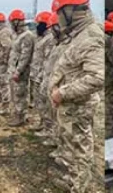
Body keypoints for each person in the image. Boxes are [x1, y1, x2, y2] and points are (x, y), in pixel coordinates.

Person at [48, 0, 104, 191]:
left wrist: (62, 92)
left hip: (79, 106)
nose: (59, 20)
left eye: (60, 14)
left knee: (80, 148)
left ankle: (80, 187)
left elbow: (97, 77)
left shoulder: (91, 36)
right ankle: (73, 179)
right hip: (71, 105)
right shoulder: (79, 34)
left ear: (70, 11)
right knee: (71, 145)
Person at [36, 13, 64, 143]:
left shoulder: (58, 43)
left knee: (55, 111)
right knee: (47, 107)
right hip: (46, 77)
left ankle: (54, 136)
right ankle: (48, 130)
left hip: (57, 82)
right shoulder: (56, 43)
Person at [7, 9, 35, 127]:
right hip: (14, 70)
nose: (11, 24)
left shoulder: (27, 36)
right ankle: (17, 115)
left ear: (18, 22)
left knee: (20, 94)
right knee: (15, 94)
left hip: (21, 72)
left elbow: (25, 56)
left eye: (13, 22)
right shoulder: (17, 36)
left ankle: (21, 117)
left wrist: (18, 71)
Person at [29, 11, 53, 133]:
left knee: (45, 103)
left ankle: (48, 128)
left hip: (43, 76)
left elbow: (47, 59)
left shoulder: (50, 39)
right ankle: (42, 123)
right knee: (39, 102)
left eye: (39, 24)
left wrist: (42, 76)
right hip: (36, 75)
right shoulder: (40, 38)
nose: (37, 26)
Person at [0, 12, 15, 115]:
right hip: (0, 62)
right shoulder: (2, 31)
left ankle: (6, 108)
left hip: (2, 64)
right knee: (2, 84)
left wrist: (4, 59)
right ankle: (4, 105)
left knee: (4, 84)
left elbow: (8, 46)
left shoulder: (3, 32)